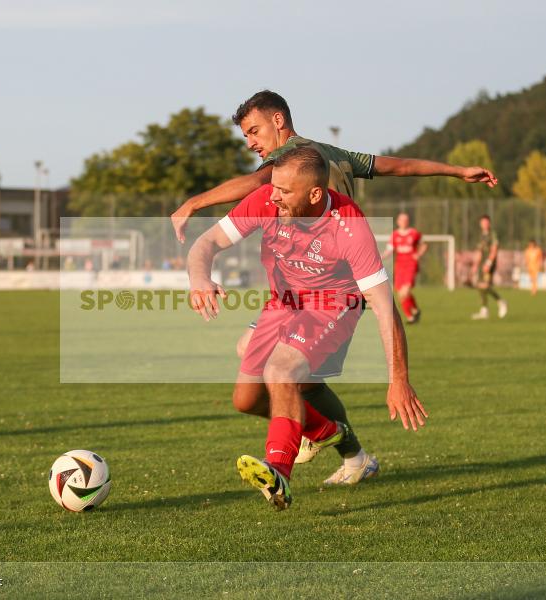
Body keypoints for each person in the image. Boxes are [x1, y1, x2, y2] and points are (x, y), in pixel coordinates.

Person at [173, 90, 492, 481]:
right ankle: (333, 438)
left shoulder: (286, 168)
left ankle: (286, 464)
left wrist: (195, 203)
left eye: (253, 131)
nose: (252, 143)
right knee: (260, 390)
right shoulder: (323, 159)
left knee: (285, 373)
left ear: (279, 121)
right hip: (289, 294)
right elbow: (397, 166)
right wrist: (456, 170)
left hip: (336, 290)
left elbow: (255, 182)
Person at [187, 147, 427, 510]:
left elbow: (383, 306)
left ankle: (278, 471)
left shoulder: (349, 226)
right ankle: (324, 431)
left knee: (281, 370)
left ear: (315, 195)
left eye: (284, 191)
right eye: (274, 187)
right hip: (283, 302)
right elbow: (207, 242)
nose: (274, 196)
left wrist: (398, 378)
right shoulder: (269, 199)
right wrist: (200, 277)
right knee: (247, 399)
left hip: (333, 305)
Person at [384, 213, 427, 323]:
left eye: (405, 220)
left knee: (405, 292)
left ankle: (411, 317)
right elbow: (389, 250)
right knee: (400, 294)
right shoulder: (394, 235)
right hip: (400, 266)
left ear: (408, 221)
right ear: (398, 222)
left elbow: (424, 245)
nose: (403, 222)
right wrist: (380, 257)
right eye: (401, 220)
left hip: (411, 265)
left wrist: (418, 254)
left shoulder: (414, 233)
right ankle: (414, 312)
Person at [471, 215, 507, 319]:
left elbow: (494, 249)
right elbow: (479, 252)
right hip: (482, 263)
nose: (484, 224)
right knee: (479, 285)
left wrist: (489, 262)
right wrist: (475, 265)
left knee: (485, 285)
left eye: (486, 222)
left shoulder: (492, 234)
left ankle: (501, 301)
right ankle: (484, 310)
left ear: (489, 223)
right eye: (483, 222)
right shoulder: (481, 235)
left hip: (489, 263)